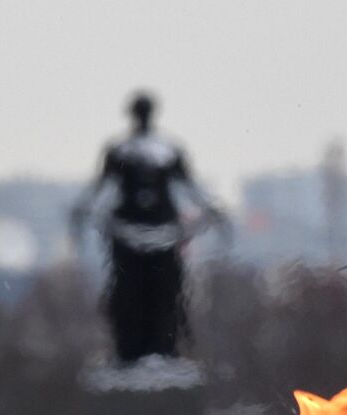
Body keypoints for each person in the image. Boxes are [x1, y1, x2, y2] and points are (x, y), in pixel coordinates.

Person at [70, 91, 229, 363]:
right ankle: (135, 350)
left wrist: (212, 210)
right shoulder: (126, 151)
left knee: (161, 294)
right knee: (133, 294)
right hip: (132, 236)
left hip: (157, 236)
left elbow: (189, 187)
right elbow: (100, 188)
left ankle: (160, 349)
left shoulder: (160, 150)